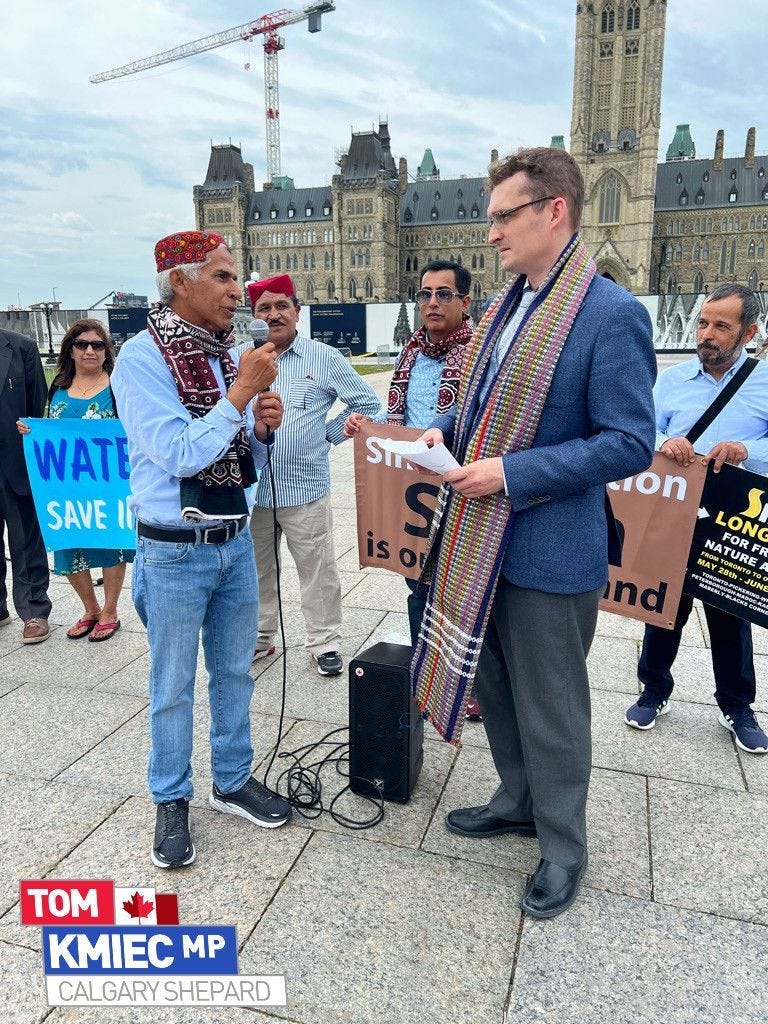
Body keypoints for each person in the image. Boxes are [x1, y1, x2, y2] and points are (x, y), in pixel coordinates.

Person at [414, 147, 656, 919]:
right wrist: (438, 434)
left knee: (553, 707)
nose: (490, 235)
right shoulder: (504, 306)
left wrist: (511, 474)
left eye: (503, 216)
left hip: (550, 549)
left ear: (555, 211)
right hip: (478, 541)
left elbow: (627, 442)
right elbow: (483, 406)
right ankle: (516, 799)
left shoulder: (611, 315)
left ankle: (562, 848)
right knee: (497, 688)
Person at [111, 230, 292, 869]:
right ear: (180, 283)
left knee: (237, 670)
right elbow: (181, 452)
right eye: (221, 277)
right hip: (173, 550)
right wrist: (241, 395)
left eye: (233, 276)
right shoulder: (139, 358)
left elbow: (238, 460)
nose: (238, 291)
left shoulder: (221, 355)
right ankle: (171, 798)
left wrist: (262, 430)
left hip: (234, 542)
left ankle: (232, 778)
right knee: (173, 683)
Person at [625, 283, 768, 755]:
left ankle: (737, 704)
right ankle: (653, 688)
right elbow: (640, 430)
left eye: (721, 326)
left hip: (732, 521)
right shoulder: (671, 380)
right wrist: (664, 441)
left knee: (730, 612)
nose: (706, 334)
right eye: (703, 323)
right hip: (673, 512)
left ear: (749, 331)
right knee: (663, 606)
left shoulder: (763, 382)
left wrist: (749, 450)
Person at [343, 260, 482, 718]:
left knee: (468, 589)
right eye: (425, 294)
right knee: (417, 582)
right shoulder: (411, 352)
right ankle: (426, 675)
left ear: (465, 301)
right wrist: (369, 426)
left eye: (444, 294)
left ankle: (475, 685)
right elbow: (397, 417)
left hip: (465, 484)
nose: (433, 303)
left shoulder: (482, 351)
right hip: (414, 490)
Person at [246, 273, 380, 677]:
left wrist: (327, 436)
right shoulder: (240, 359)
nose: (273, 315)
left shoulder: (323, 358)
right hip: (251, 494)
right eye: (263, 309)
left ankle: (324, 642)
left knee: (317, 570)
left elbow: (369, 404)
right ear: (253, 317)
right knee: (255, 571)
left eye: (281, 306)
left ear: (297, 312)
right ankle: (259, 636)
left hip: (305, 489)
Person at [17, 319, 131, 642]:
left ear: (106, 351)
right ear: (71, 351)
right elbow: (48, 428)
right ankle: (91, 608)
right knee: (68, 546)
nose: (90, 350)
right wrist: (32, 431)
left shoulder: (118, 387)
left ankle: (110, 610)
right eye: (82, 345)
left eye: (97, 344)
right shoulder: (59, 388)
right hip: (66, 486)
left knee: (111, 544)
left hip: (109, 485)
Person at [0, 326, 51, 643]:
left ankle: (34, 611)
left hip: (15, 463)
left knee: (25, 539)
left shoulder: (21, 348)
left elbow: (36, 409)